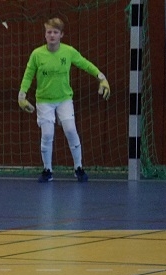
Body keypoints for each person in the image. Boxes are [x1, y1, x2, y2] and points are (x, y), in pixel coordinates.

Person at [18, 17, 110, 183]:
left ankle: (78, 168)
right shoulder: (37, 54)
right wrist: (22, 95)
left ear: (61, 34)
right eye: (49, 32)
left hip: (64, 99)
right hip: (44, 100)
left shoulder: (68, 52)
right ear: (45, 34)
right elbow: (28, 74)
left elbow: (85, 64)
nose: (52, 35)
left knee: (70, 130)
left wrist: (101, 77)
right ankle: (47, 170)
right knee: (47, 134)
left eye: (55, 32)